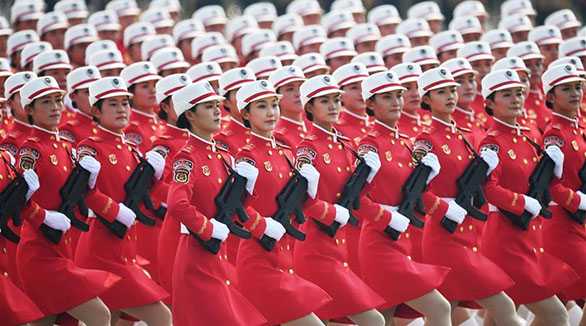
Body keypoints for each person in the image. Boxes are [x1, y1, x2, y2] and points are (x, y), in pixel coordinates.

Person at [415, 68, 524, 326]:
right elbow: (418, 192)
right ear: (427, 99)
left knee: (445, 312)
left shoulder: (463, 134)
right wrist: (443, 209)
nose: (451, 96)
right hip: (444, 236)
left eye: (452, 90)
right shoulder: (425, 140)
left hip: (469, 232)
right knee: (503, 305)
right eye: (441, 92)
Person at [479, 69, 580, 325]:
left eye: (518, 93)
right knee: (556, 314)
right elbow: (488, 189)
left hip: (529, 237)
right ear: (489, 103)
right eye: (506, 95)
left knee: (502, 314)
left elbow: (540, 182)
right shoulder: (491, 142)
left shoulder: (529, 136)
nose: (515, 99)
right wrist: (523, 202)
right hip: (506, 240)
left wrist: (553, 170)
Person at [17, 76, 119, 326]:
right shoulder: (29, 150)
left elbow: (77, 194)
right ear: (29, 109)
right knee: (99, 315)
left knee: (55, 321)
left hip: (64, 247)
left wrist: (91, 184)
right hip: (39, 251)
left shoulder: (64, 147)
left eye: (57, 100)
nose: (54, 107)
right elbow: (18, 200)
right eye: (45, 102)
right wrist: (45, 217)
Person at [166, 81, 267, 326]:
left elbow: (232, 204)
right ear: (189, 114)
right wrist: (208, 228)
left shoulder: (222, 155)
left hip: (217, 256)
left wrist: (248, 188)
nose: (216, 113)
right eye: (208, 107)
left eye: (217, 106)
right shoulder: (186, 157)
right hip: (197, 258)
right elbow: (177, 204)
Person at [357, 71, 452, 326]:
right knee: (440, 308)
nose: (396, 102)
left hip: (404, 241)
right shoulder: (369, 145)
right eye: (387, 97)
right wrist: (386, 218)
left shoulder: (407, 143)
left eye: (398, 95)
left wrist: (428, 176)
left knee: (385, 320)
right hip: (379, 242)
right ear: (370, 104)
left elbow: (415, 194)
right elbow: (356, 200)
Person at [73, 77, 171, 325]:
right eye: (113, 104)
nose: (121, 110)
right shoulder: (89, 148)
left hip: (125, 246)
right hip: (101, 246)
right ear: (96, 111)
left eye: (125, 104)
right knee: (161, 315)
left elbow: (150, 192)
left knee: (115, 318)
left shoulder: (130, 148)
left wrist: (160, 179)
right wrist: (114, 210)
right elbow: (82, 192)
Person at [234, 80, 332, 325]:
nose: (271, 112)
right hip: (258, 257)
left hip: (285, 255)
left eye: (274, 105)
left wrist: (310, 190)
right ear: (245, 113)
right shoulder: (246, 156)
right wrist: (262, 225)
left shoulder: (286, 152)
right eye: (261, 106)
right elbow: (236, 208)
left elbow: (300, 204)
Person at [294, 74, 386, 325]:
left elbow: (354, 195)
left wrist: (369, 176)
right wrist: (331, 214)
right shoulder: (307, 149)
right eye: (325, 101)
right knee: (374, 320)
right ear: (310, 107)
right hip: (315, 248)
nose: (334, 106)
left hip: (338, 245)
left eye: (336, 99)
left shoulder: (345, 145)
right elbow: (300, 201)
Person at [540, 64, 586, 326]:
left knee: (553, 308)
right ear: (550, 97)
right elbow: (550, 186)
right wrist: (581, 200)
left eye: (577, 87)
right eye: (566, 89)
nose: (575, 93)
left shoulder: (578, 128)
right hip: (562, 225)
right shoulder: (554, 134)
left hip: (579, 223)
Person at [152, 73, 192, 305]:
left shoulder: (204, 140)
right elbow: (157, 188)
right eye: (179, 100)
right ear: (165, 107)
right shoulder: (164, 143)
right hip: (179, 226)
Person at [270, 66, 310, 148]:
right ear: (277, 98)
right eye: (290, 89)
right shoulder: (279, 137)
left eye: (301, 87)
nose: (298, 93)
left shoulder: (313, 125)